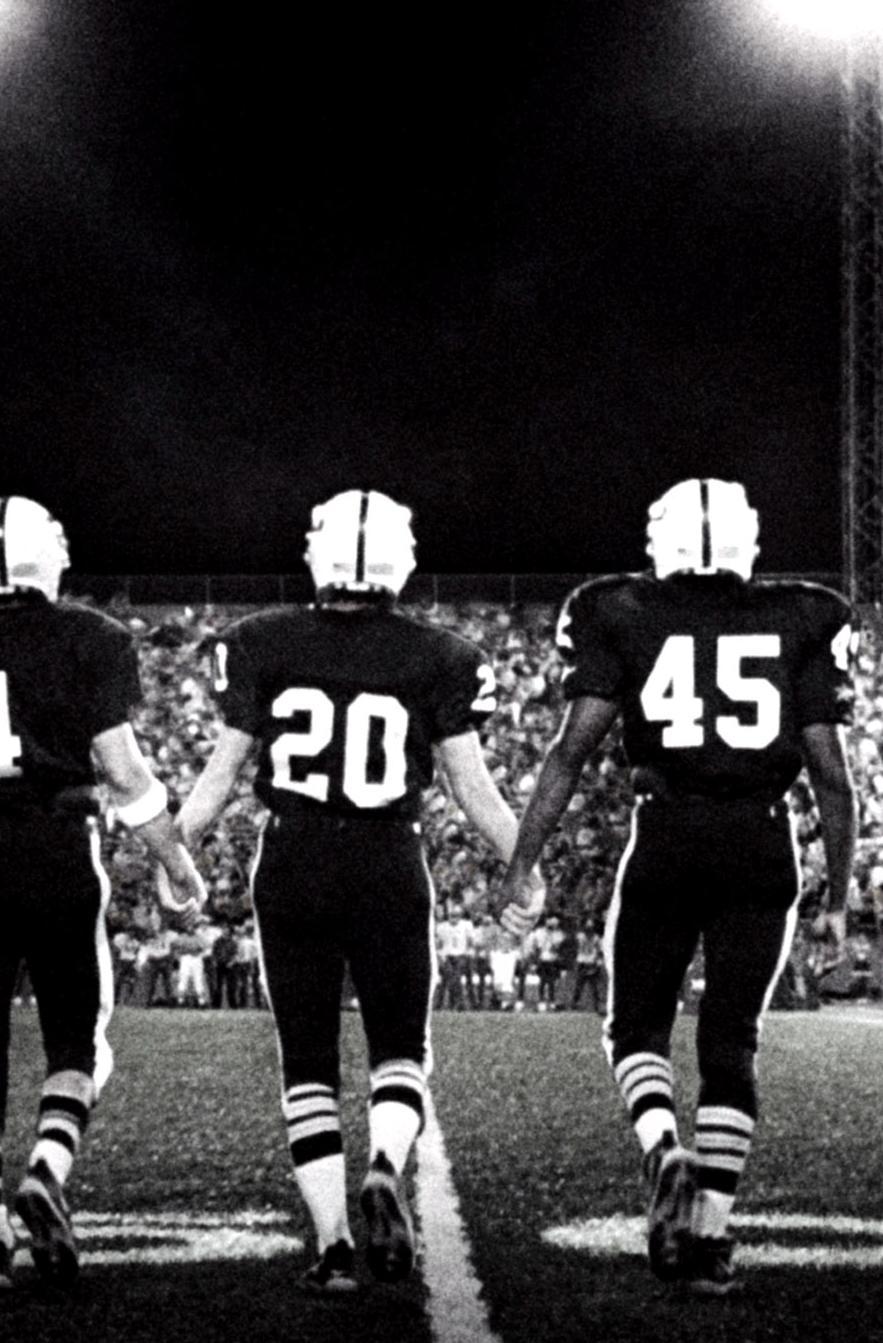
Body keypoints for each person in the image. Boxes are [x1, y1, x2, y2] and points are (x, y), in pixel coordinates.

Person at [175, 490, 543, 1294]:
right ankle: (384, 1161)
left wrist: (176, 853)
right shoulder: (441, 655)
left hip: (294, 856)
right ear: (396, 561)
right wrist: (526, 866)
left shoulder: (261, 642)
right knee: (400, 1048)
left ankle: (335, 1243)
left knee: (306, 1058)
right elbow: (474, 790)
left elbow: (220, 776)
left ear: (321, 553)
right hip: (387, 857)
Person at [499, 478, 856, 1301]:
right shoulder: (806, 611)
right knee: (732, 1042)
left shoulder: (615, 608)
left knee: (635, 1025)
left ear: (664, 539)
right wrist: (838, 897)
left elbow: (569, 752)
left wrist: (523, 860)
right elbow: (833, 780)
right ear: (747, 540)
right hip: (763, 840)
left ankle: (662, 1144)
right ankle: (712, 1235)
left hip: (666, 834)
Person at [0, 495, 205, 1291]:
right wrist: (175, 860)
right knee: (78, 1042)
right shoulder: (87, 637)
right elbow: (126, 776)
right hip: (57, 847)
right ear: (44, 557)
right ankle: (49, 1168)